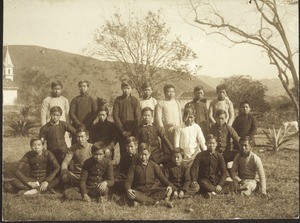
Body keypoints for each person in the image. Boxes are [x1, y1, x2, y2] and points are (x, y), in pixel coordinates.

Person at [113, 81, 140, 173]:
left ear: (131, 89)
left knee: (133, 149)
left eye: (128, 88)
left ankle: (134, 169)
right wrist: (123, 130)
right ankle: (123, 170)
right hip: (122, 132)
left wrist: (131, 131)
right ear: (121, 89)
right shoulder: (118, 100)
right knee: (123, 149)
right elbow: (115, 115)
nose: (126, 90)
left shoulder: (135, 100)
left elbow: (137, 116)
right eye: (124, 88)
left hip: (133, 131)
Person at [61, 127, 92, 191]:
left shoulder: (93, 148)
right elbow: (65, 162)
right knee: (64, 175)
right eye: (78, 137)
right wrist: (64, 172)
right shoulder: (73, 148)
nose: (80, 139)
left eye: (82, 136)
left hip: (89, 175)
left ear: (87, 137)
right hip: (77, 175)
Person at [40, 81, 71, 147]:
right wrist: (44, 128)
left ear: (61, 89)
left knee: (65, 142)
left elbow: (67, 114)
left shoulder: (64, 100)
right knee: (52, 142)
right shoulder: (47, 100)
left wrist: (68, 128)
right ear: (51, 89)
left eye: (58, 89)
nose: (56, 91)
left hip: (62, 126)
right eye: (55, 89)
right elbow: (43, 115)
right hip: (50, 125)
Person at [209, 109, 240, 173]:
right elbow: (209, 140)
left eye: (222, 118)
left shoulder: (228, 128)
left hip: (227, 152)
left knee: (238, 155)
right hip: (216, 153)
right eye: (218, 118)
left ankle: (233, 170)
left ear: (226, 118)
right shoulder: (212, 128)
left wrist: (240, 149)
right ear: (215, 118)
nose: (220, 120)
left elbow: (236, 139)